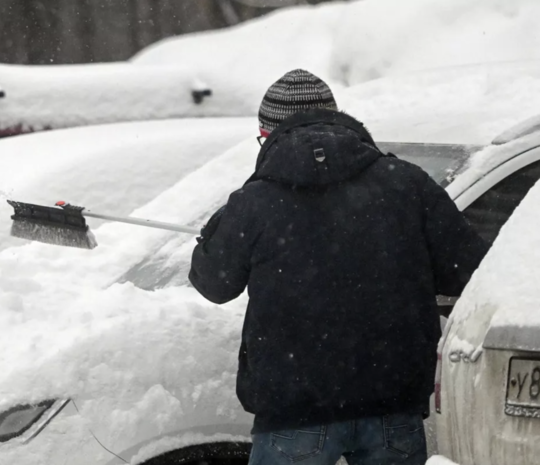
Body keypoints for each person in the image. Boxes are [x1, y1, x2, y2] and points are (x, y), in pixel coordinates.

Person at [189, 69, 489, 465]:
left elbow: (213, 283)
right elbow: (469, 271)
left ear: (268, 134)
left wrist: (221, 224)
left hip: (294, 415)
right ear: (339, 119)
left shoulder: (256, 201)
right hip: (391, 408)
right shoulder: (406, 184)